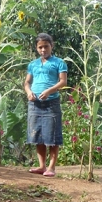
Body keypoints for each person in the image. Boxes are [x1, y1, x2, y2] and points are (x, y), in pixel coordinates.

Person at [24, 33, 68, 177]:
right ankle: (42, 166)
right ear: (37, 48)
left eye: (46, 46)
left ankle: (51, 168)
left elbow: (63, 82)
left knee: (52, 135)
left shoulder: (59, 63)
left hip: (51, 103)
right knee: (38, 134)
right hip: (35, 103)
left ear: (52, 46)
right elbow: (27, 82)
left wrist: (49, 91)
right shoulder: (33, 64)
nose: (43, 50)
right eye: (40, 47)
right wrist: (29, 92)